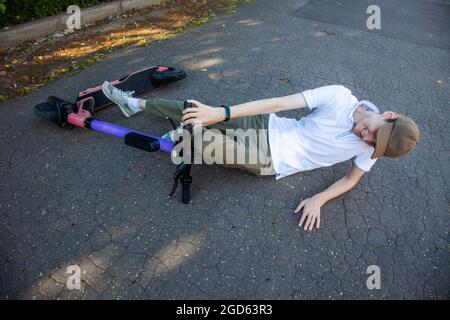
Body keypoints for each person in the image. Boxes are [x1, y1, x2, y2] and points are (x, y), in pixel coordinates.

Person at [101, 82, 419, 232]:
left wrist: (320, 199)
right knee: (197, 110)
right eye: (373, 133)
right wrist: (220, 112)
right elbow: (278, 103)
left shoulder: (372, 150)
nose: (366, 140)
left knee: (205, 140)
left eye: (373, 145)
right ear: (387, 115)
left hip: (270, 159)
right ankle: (136, 106)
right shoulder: (339, 96)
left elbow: (351, 179)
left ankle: (188, 137)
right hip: (266, 124)